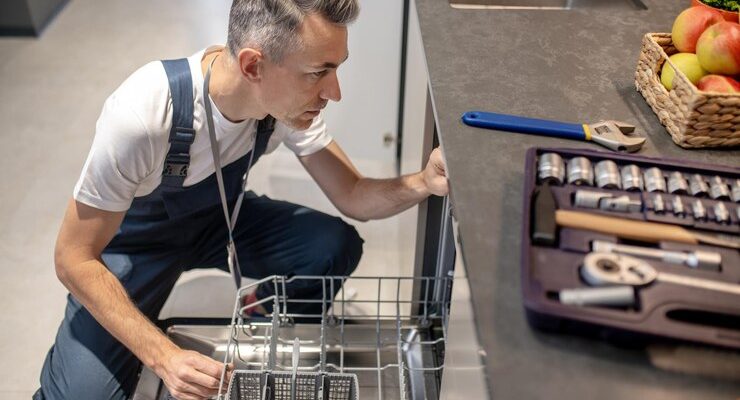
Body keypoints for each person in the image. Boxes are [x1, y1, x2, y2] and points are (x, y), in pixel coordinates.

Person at [35, 0, 449, 399]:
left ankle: (261, 316)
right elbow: (73, 257)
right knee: (82, 394)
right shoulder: (143, 116)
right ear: (254, 65)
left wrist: (424, 182)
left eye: (336, 68)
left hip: (221, 218)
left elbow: (354, 195)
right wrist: (163, 357)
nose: (334, 92)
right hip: (137, 244)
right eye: (318, 72)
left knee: (331, 246)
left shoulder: (283, 107)